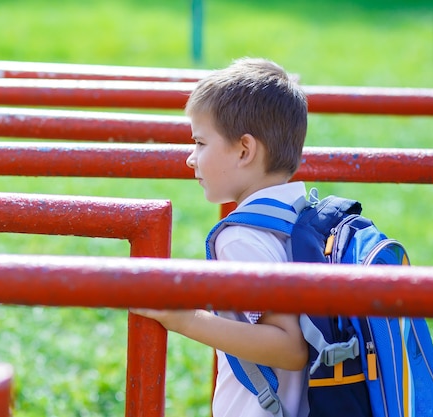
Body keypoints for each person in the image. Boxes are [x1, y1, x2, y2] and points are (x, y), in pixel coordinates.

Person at [131, 57, 310, 417]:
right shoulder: (299, 211)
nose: (190, 158)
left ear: (244, 150)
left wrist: (185, 319)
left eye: (200, 142)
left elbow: (290, 348)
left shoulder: (243, 236)